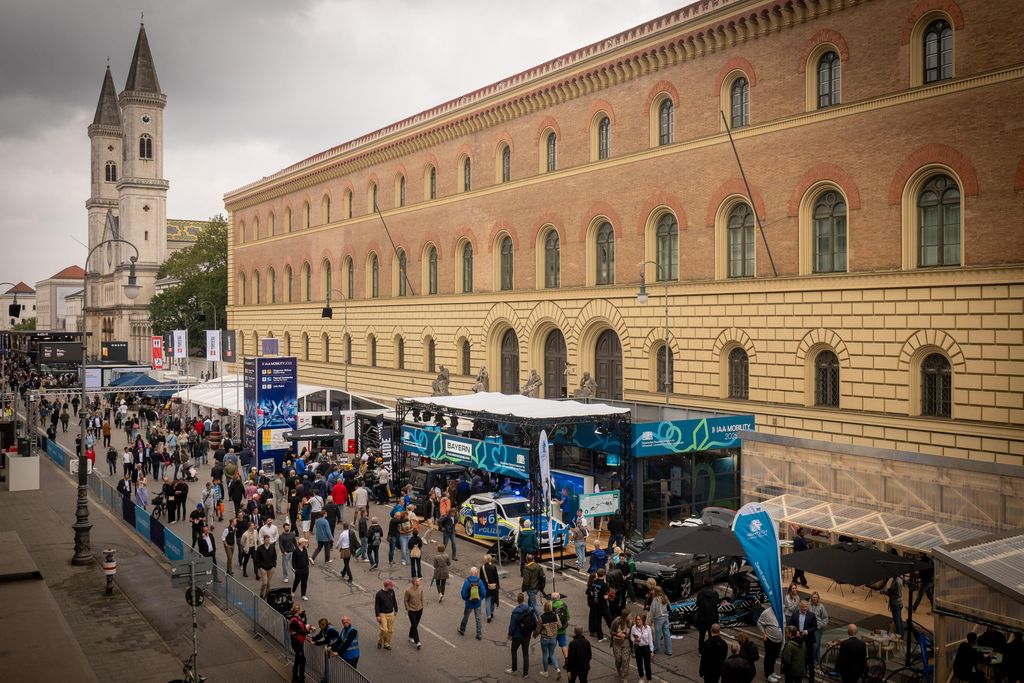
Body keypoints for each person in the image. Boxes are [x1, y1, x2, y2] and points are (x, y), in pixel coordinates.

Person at [786, 600, 818, 683]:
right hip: (797, 640)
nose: (805, 608)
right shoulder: (795, 614)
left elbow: (815, 627)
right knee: (799, 658)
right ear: (800, 607)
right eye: (803, 607)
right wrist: (795, 632)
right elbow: (791, 625)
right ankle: (801, 673)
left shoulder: (812, 615)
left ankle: (812, 676)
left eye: (806, 607)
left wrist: (807, 631)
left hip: (808, 640)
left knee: (810, 659)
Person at [507, 591, 537, 677]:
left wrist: (510, 634)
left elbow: (512, 625)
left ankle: (514, 668)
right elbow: (534, 622)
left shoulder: (515, 612)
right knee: (525, 653)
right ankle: (525, 673)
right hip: (527, 635)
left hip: (517, 635)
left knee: (514, 651)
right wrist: (534, 631)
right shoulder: (530, 610)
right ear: (523, 599)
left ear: (517, 600)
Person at [458, 566, 488, 639]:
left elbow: (463, 593)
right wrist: (480, 598)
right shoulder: (480, 581)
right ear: (475, 573)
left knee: (466, 616)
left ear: (471, 573)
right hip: (477, 603)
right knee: (478, 618)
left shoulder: (467, 581)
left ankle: (462, 630)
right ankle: (479, 633)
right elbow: (484, 593)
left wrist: (467, 599)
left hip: (469, 603)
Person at [758, 604, 784, 682]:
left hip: (779, 640)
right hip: (769, 639)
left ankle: (772, 672)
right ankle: (768, 675)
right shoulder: (766, 612)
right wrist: (764, 633)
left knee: (774, 657)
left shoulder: (781, 611)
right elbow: (759, 623)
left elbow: (783, 622)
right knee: (769, 658)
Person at [695, 580, 720, 654]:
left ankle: (701, 650)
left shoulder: (701, 593)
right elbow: (717, 602)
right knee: (711, 635)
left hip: (702, 617)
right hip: (712, 617)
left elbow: (698, 603)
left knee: (702, 635)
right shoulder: (715, 594)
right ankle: (710, 649)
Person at [586, 569, 611, 641]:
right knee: (609, 620)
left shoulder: (593, 583)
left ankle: (600, 637)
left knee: (598, 621)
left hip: (596, 604)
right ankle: (613, 635)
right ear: (604, 575)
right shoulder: (604, 584)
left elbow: (592, 593)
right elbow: (605, 597)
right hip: (603, 605)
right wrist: (609, 597)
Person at [539, 599, 562, 678]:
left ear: (544, 607)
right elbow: (560, 626)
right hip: (553, 638)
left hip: (544, 638)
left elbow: (538, 629)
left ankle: (545, 672)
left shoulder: (542, 617)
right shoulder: (555, 616)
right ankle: (557, 668)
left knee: (545, 654)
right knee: (552, 653)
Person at [374, 579, 399, 650]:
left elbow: (394, 600)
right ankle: (380, 641)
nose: (392, 587)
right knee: (384, 630)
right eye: (391, 585)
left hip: (391, 613)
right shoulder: (379, 594)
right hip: (383, 614)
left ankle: (386, 643)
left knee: (390, 630)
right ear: (387, 586)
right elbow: (377, 605)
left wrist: (396, 609)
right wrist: (377, 615)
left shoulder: (392, 591)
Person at [609, 610, 633, 683]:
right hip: (617, 644)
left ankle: (625, 677)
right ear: (625, 617)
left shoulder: (631, 623)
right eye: (629, 616)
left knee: (625, 660)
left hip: (626, 644)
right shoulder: (616, 621)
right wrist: (617, 634)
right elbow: (611, 631)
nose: (631, 617)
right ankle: (619, 670)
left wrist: (625, 635)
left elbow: (632, 633)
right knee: (618, 660)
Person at [287, 604, 309, 683]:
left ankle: (296, 677)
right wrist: (309, 631)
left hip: (299, 642)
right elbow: (301, 631)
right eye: (300, 610)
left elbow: (302, 625)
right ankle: (300, 678)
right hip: (297, 642)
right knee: (301, 660)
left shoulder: (297, 618)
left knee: (298, 659)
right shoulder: (294, 620)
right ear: (298, 610)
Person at [631, 612, 654, 682]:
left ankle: (649, 680)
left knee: (647, 665)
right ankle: (641, 678)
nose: (638, 621)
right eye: (637, 619)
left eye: (640, 619)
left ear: (643, 620)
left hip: (646, 647)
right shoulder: (634, 628)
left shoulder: (647, 628)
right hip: (638, 647)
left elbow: (650, 640)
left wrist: (651, 650)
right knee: (639, 664)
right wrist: (635, 639)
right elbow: (631, 637)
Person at [649, 585, 672, 656]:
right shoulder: (665, 597)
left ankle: (656, 649)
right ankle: (669, 651)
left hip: (658, 618)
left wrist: (652, 618)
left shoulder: (655, 600)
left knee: (657, 635)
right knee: (667, 634)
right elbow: (669, 607)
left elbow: (653, 610)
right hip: (665, 618)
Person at [522, 553, 546, 618]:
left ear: (527, 560)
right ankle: (529, 613)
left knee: (534, 604)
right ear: (533, 559)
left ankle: (540, 619)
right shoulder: (537, 566)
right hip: (537, 587)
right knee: (530, 600)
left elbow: (526, 581)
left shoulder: (527, 569)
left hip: (530, 588)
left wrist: (526, 586)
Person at [254, 534, 278, 599]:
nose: (268, 541)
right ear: (264, 540)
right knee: (265, 583)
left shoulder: (272, 547)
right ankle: (261, 594)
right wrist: (260, 567)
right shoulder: (260, 548)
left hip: (271, 568)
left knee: (269, 583)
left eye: (268, 540)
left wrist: (274, 565)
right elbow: (257, 558)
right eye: (266, 540)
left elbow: (275, 556)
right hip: (263, 568)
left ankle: (267, 595)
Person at [809, 592, 829, 664]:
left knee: (816, 644)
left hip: (818, 628)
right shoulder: (809, 605)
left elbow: (825, 618)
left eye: (815, 597)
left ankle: (815, 659)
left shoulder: (821, 607)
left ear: (818, 598)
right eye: (813, 597)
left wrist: (820, 625)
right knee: (811, 644)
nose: (814, 598)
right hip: (810, 627)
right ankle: (814, 658)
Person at [404, 576, 424, 649]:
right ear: (415, 583)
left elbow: (422, 598)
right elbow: (405, 600)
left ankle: (411, 636)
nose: (420, 582)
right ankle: (417, 642)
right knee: (415, 625)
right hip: (411, 611)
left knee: (415, 625)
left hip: (419, 610)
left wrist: (422, 606)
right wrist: (408, 608)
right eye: (418, 581)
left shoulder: (421, 589)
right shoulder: (408, 591)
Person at [483, 553, 501, 622]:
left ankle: (488, 616)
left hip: (486, 586)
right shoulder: (493, 567)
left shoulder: (482, 568)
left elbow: (481, 578)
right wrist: (498, 585)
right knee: (492, 600)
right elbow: (496, 578)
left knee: (487, 600)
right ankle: (492, 612)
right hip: (493, 586)